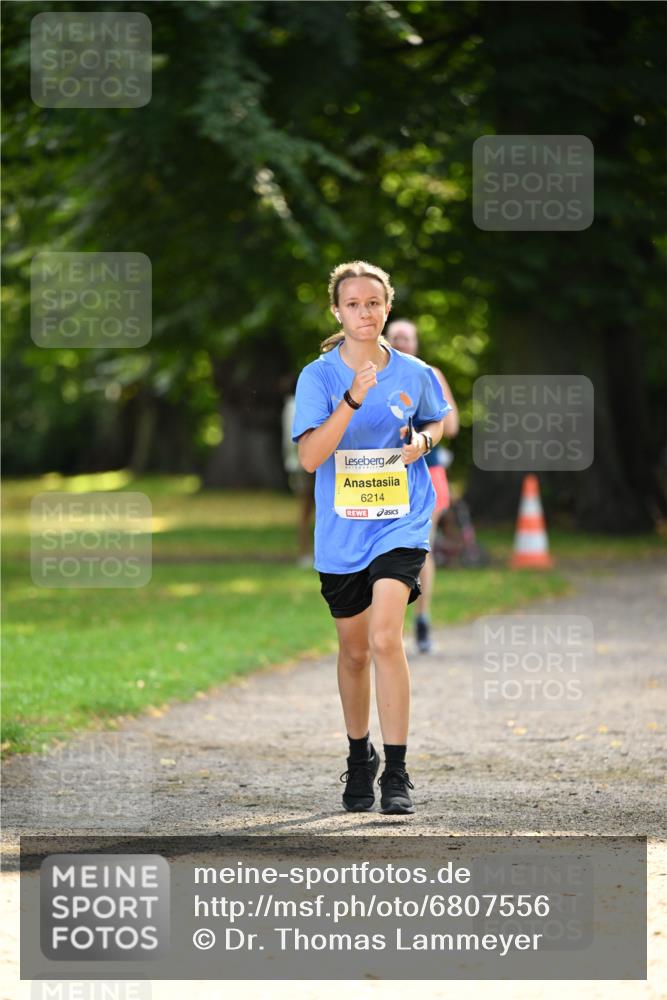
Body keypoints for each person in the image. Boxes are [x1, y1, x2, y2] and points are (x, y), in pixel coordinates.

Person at [292, 261, 451, 815]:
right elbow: (311, 457)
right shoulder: (319, 377)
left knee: (386, 638)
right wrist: (354, 400)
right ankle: (361, 757)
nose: (365, 312)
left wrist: (423, 445)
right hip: (341, 531)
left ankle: (398, 772)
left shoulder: (414, 372)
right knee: (354, 652)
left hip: (401, 519)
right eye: (354, 304)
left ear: (388, 307)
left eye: (374, 303)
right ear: (338, 311)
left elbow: (436, 420)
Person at [385, 320, 459, 653]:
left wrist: (421, 430)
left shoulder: (429, 373)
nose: (401, 343)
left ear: (416, 343)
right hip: (385, 474)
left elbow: (452, 425)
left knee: (420, 547)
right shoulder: (374, 373)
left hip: (428, 473)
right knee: (387, 550)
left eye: (407, 338)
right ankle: (390, 627)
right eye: (396, 338)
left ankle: (423, 620)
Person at [281, 386, 315, 566]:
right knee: (306, 509)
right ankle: (304, 553)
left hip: (315, 463)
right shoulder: (294, 405)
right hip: (302, 465)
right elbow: (290, 438)